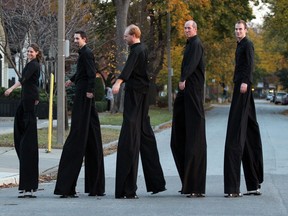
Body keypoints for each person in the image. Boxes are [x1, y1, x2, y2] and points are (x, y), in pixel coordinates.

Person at [112, 24, 166, 199]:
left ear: (133, 35)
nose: (124, 38)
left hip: (136, 96)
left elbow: (128, 69)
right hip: (141, 95)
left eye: (126, 35)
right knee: (145, 136)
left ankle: (128, 189)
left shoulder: (137, 50)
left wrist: (118, 82)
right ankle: (156, 183)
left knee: (130, 138)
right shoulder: (141, 49)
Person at [54, 31, 105, 198]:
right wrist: (73, 79)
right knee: (91, 136)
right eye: (74, 39)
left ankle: (71, 186)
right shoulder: (82, 54)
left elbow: (91, 73)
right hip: (82, 93)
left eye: (78, 38)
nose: (75, 41)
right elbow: (83, 72)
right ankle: (95, 186)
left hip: (84, 96)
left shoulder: (87, 53)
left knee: (78, 135)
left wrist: (91, 90)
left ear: (84, 39)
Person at [224, 20, 263, 198]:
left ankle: (235, 187)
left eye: (240, 29)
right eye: (236, 29)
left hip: (243, 86)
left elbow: (249, 64)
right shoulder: (239, 45)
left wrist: (246, 82)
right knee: (248, 131)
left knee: (236, 132)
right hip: (239, 84)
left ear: (246, 30)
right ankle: (253, 183)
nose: (238, 31)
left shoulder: (248, 45)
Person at [170, 20, 207, 198]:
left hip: (192, 92)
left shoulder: (197, 44)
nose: (186, 30)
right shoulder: (189, 45)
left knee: (194, 139)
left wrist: (183, 78)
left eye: (189, 28)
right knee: (178, 139)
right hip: (185, 93)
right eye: (185, 28)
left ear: (195, 29)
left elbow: (191, 65)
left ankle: (195, 186)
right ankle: (187, 182)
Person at [4, 43, 42, 198]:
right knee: (21, 142)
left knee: (27, 145)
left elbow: (24, 80)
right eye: (28, 51)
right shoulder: (31, 65)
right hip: (26, 102)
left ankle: (29, 186)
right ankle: (27, 186)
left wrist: (11, 88)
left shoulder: (33, 65)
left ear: (37, 53)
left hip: (28, 105)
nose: (29, 53)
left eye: (32, 51)